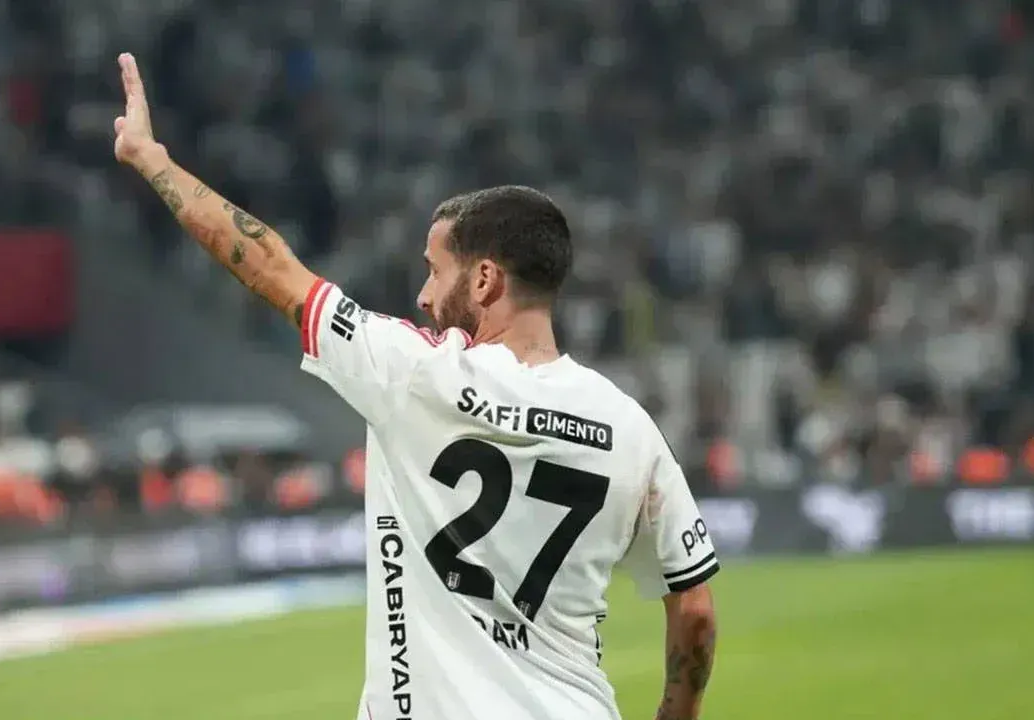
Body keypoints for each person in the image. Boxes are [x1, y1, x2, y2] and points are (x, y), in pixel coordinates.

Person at [112, 53, 719, 720]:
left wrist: (151, 159)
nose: (424, 295)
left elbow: (268, 264)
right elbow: (693, 607)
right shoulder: (629, 427)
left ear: (484, 280)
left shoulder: (417, 375)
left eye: (435, 270)